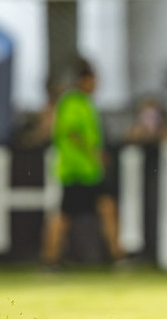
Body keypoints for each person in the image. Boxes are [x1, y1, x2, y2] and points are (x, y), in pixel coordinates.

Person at [41, 57, 126, 267]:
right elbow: (71, 132)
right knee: (64, 215)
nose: (96, 85)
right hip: (76, 169)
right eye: (94, 80)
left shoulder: (85, 102)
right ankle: (49, 259)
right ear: (84, 80)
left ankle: (117, 255)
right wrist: (94, 152)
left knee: (105, 207)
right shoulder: (72, 101)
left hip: (89, 170)